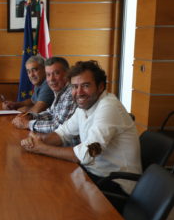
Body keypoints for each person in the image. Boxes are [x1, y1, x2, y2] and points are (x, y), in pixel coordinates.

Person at [21, 60, 141, 189]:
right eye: (74, 87)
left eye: (86, 86)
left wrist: (42, 148)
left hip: (115, 184)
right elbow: (62, 133)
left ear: (100, 87)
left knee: (52, 190)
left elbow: (86, 154)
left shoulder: (108, 106)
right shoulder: (84, 106)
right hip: (92, 174)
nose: (79, 92)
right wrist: (37, 141)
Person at [12, 57, 77, 133]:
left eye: (56, 73)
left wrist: (28, 124)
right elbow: (50, 114)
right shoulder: (59, 91)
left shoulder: (71, 93)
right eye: (48, 75)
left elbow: (59, 126)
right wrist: (30, 116)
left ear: (67, 74)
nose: (51, 79)